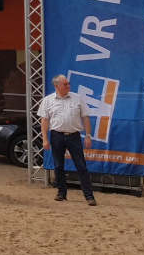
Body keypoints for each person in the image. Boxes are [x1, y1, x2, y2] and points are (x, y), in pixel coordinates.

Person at [38, 74, 97, 206]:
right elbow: (44, 121)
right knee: (58, 165)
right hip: (56, 135)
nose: (68, 86)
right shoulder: (48, 100)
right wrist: (45, 139)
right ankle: (61, 193)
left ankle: (89, 196)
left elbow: (85, 117)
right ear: (57, 86)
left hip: (74, 136)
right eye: (65, 84)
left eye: (68, 83)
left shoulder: (77, 98)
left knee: (81, 166)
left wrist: (88, 135)